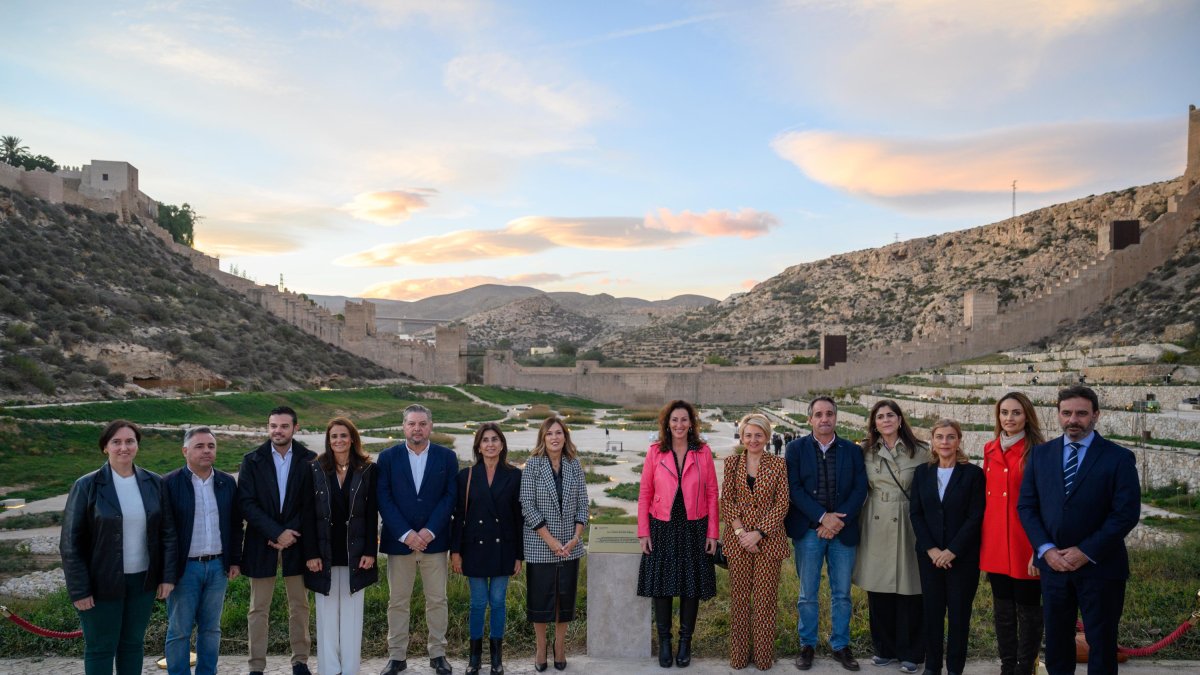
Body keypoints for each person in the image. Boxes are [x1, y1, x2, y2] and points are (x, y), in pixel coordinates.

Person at [1018, 386, 1140, 675]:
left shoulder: (1118, 458)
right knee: (1058, 644)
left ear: (1096, 415)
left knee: (1102, 643)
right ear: (1058, 415)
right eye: (1067, 413)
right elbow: (1027, 507)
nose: (1073, 419)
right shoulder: (1040, 455)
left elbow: (1125, 514)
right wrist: (1045, 550)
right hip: (1054, 568)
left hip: (1101, 568)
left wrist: (1085, 551)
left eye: (1081, 413)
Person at [60, 420, 177, 675]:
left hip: (142, 582)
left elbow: (168, 534)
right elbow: (71, 543)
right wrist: (79, 590)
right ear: (105, 447)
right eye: (116, 442)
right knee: (101, 647)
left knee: (133, 644)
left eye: (130, 441)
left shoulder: (154, 482)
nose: (124, 447)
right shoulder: (86, 485)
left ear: (137, 445)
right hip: (101, 583)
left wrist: (167, 576)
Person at [784, 396, 868, 672]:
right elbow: (794, 489)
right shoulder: (795, 449)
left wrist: (836, 521)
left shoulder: (852, 451)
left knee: (841, 593)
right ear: (810, 419)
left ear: (836, 417)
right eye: (818, 414)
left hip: (842, 531)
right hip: (809, 531)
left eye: (829, 413)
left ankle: (840, 645)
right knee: (808, 593)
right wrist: (822, 518)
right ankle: (807, 644)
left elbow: (860, 489)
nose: (824, 419)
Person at [636, 400, 719, 669]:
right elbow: (645, 493)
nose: (679, 425)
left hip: (695, 525)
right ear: (667, 423)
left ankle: (685, 643)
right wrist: (643, 531)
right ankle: (664, 642)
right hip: (662, 525)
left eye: (684, 420)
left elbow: (711, 493)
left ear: (691, 423)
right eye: (674, 420)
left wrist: (713, 533)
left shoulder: (703, 452)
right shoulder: (654, 452)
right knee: (662, 586)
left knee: (690, 586)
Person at [377, 404, 458, 675]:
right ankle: (397, 657)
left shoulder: (446, 457)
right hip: (399, 544)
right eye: (412, 423)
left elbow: (449, 498)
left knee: (437, 600)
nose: (417, 428)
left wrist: (430, 531)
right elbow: (384, 499)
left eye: (422, 423)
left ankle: (438, 655)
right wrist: (406, 534)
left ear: (430, 426)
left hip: (434, 543)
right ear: (404, 426)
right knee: (397, 601)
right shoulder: (387, 458)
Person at [238, 405, 317, 675]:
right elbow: (246, 503)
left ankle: (300, 661)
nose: (277, 431)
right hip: (262, 542)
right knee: (258, 608)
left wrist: (289, 533)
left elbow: (310, 503)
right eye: (273, 426)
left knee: (299, 606)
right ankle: (256, 666)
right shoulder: (252, 460)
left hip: (297, 543)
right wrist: (275, 532)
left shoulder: (310, 459)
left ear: (295, 428)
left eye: (284, 426)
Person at [302, 417, 379, 675]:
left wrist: (370, 551)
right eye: (334, 436)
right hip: (324, 553)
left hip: (355, 553)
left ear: (352, 438)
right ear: (328, 439)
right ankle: (329, 669)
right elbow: (307, 514)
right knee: (326, 618)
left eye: (343, 435)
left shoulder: (368, 469)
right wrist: (311, 553)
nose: (338, 440)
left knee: (352, 617)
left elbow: (371, 513)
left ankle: (349, 669)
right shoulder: (315, 469)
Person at [163, 427, 242, 675]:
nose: (206, 451)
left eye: (211, 446)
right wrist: (165, 573)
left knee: (211, 629)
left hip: (218, 567)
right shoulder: (169, 483)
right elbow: (163, 532)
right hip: (185, 569)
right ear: (185, 451)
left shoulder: (226, 482)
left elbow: (235, 525)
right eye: (199, 446)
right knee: (180, 630)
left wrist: (234, 561)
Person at [855, 399, 926, 674]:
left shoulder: (919, 452)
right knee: (879, 587)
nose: (885, 420)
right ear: (874, 422)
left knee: (911, 587)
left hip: (909, 522)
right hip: (876, 521)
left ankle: (912, 652)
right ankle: (884, 648)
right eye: (880, 416)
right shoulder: (864, 453)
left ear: (899, 419)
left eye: (890, 415)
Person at [910, 419, 985, 675]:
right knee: (932, 614)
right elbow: (916, 514)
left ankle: (955, 669)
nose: (944, 442)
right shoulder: (922, 473)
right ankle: (932, 667)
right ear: (932, 441)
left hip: (961, 558)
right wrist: (931, 549)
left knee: (959, 617)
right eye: (939, 437)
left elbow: (975, 516)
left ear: (958, 440)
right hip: (929, 558)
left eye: (950, 437)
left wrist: (952, 550)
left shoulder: (974, 474)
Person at [980, 392, 1046, 675]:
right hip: (995, 542)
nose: (1009, 418)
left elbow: (1046, 502)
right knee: (1003, 610)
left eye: (1016, 413)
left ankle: (1025, 666)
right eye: (1004, 413)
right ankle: (1008, 665)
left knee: (1028, 609)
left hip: (1024, 543)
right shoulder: (990, 448)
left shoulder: (1039, 452)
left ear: (1027, 416)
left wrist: (1039, 546)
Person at [451, 422, 524, 675]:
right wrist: (456, 551)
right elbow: (459, 516)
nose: (490, 444)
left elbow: (519, 518)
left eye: (495, 439)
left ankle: (496, 659)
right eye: (485, 440)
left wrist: (519, 555)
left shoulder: (515, 475)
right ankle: (474, 659)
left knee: (498, 601)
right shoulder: (466, 476)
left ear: (502, 444)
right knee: (478, 603)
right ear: (478, 447)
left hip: (504, 548)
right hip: (474, 548)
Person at [720, 413, 790, 671]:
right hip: (738, 541)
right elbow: (726, 501)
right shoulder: (731, 463)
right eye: (748, 435)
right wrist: (741, 533)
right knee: (739, 600)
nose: (753, 439)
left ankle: (763, 657)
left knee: (765, 600)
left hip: (768, 542)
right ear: (742, 436)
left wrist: (758, 533)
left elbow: (782, 504)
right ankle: (738, 656)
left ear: (767, 437)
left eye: (758, 435)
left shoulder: (778, 465)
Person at [520, 416, 589, 672]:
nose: (554, 438)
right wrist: (550, 541)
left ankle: (559, 646)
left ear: (565, 437)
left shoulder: (574, 465)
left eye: (559, 433)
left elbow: (583, 503)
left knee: (564, 600)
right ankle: (540, 647)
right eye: (549, 433)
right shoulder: (533, 466)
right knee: (541, 601)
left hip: (570, 547)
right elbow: (527, 506)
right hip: (541, 546)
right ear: (543, 437)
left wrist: (575, 537)